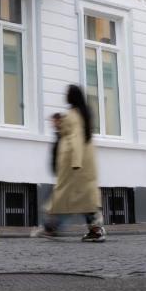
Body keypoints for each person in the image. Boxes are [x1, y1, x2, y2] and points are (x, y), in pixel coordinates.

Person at [36, 85, 106, 242]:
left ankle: (51, 227)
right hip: (86, 166)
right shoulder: (85, 115)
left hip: (75, 165)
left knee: (65, 198)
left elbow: (75, 139)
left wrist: (75, 162)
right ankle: (95, 230)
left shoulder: (73, 116)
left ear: (71, 97)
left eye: (67, 93)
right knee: (85, 199)